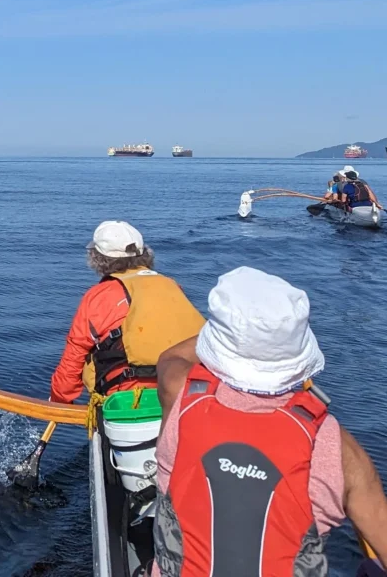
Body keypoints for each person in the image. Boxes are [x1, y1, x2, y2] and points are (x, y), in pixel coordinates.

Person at [153, 267, 387, 576]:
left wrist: (237, 334)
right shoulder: (335, 444)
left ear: (217, 344)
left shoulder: (180, 394)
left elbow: (169, 358)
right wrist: (268, 341)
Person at [48, 221, 205, 404]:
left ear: (97, 258)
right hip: (182, 395)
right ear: (144, 254)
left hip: (126, 402)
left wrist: (59, 399)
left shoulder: (99, 296)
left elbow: (74, 357)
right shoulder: (171, 285)